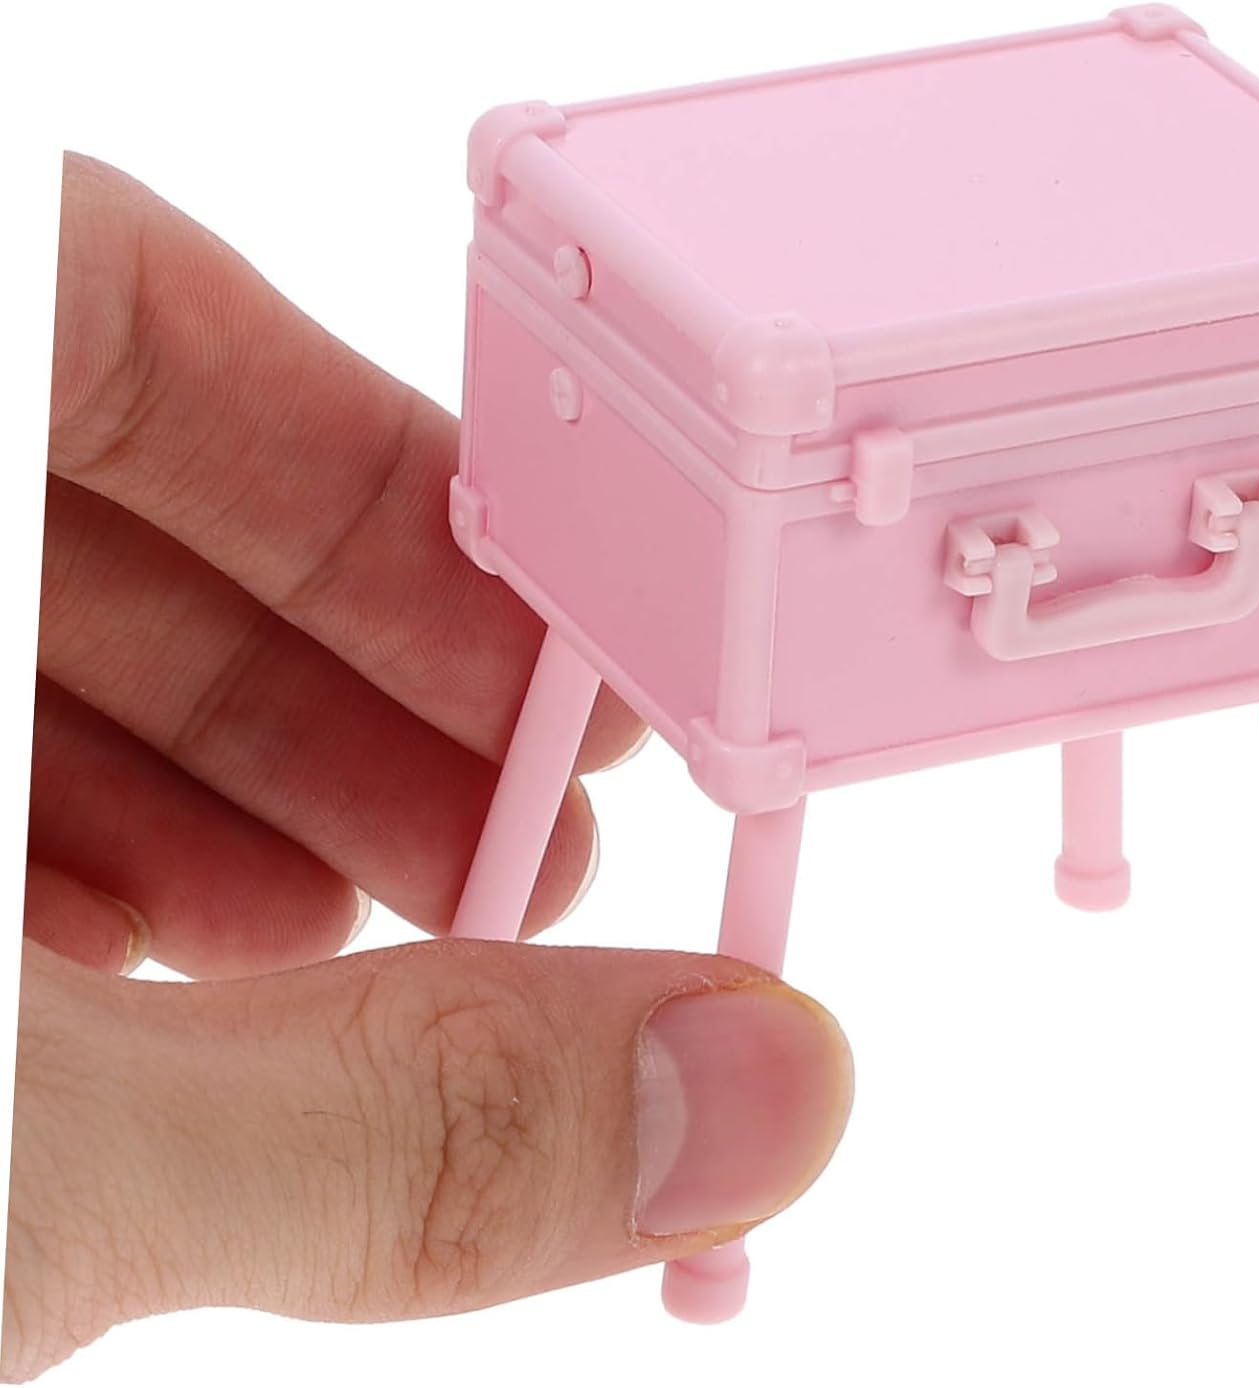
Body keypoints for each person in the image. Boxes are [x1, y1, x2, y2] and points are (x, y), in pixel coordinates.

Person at [3, 155, 853, 1383]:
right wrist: (460, 1095)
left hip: (659, 473)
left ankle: (479, 976)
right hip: (655, 492)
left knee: (540, 757)